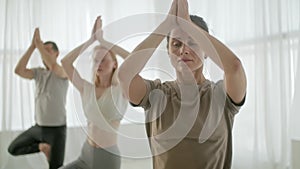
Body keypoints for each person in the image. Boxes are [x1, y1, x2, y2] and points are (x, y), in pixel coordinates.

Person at [118, 0, 247, 169]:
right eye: (176, 44)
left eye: (193, 42)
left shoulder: (221, 96)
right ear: (169, 52)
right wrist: (166, 25)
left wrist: (188, 24)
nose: (184, 50)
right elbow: (124, 75)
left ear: (207, 52)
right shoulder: (156, 94)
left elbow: (235, 67)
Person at [60, 16, 129, 169]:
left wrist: (103, 42)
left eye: (104, 59)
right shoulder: (87, 89)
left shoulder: (122, 90)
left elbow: (132, 59)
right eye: (96, 60)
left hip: (107, 157)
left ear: (114, 64)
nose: (99, 63)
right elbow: (65, 62)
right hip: (86, 154)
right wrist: (91, 40)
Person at [8, 28, 69, 169]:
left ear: (57, 53)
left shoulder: (63, 71)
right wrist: (32, 47)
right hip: (39, 128)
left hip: (57, 130)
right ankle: (42, 147)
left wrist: (39, 45)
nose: (43, 53)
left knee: (56, 167)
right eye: (42, 50)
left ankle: (48, 149)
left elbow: (53, 66)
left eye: (48, 50)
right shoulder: (38, 73)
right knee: (13, 149)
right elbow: (18, 70)